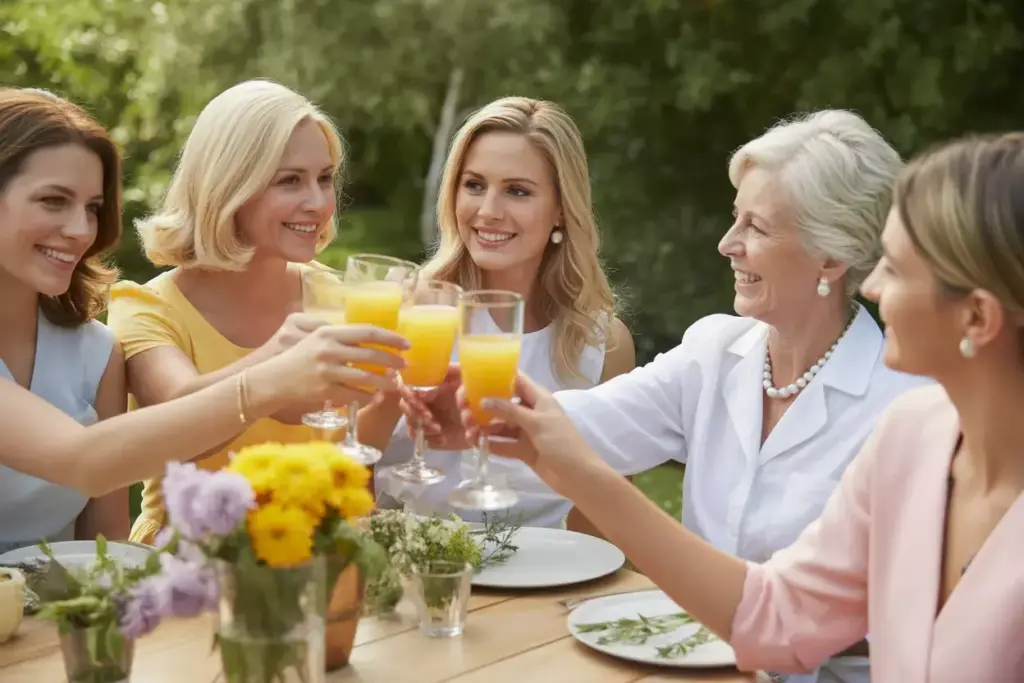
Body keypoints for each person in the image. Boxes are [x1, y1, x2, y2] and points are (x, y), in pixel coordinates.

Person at [459, 132, 1024, 683]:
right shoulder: (905, 431)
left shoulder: (899, 408)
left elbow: (814, 625)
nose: (872, 284)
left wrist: (577, 470)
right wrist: (471, 404)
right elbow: (778, 614)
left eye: (898, 269)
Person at [0, 87, 407, 552]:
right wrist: (273, 369)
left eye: (92, 208)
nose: (80, 230)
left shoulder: (94, 352)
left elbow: (103, 552)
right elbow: (88, 461)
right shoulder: (148, 309)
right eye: (53, 201)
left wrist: (397, 396)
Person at [376, 96, 635, 528]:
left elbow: (606, 521)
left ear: (560, 210)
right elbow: (347, 465)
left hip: (548, 580)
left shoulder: (604, 345)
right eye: (474, 185)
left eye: (517, 191)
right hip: (413, 569)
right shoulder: (408, 308)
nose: (489, 211)